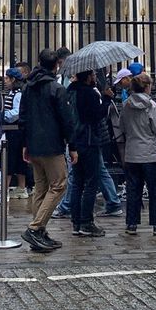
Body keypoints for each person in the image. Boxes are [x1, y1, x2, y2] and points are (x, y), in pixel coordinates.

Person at [19, 49, 75, 253]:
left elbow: (22, 117)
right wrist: (73, 145)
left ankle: (40, 231)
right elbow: (66, 120)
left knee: (41, 189)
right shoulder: (56, 88)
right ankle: (35, 228)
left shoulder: (28, 87)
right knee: (59, 184)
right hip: (51, 145)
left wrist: (25, 143)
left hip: (33, 144)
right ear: (56, 66)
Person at [120, 73, 156, 236]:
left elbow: (122, 126)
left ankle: (131, 224)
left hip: (132, 152)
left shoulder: (126, 104)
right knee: (154, 189)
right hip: (149, 152)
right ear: (147, 87)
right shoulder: (152, 106)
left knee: (133, 189)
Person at [67, 68, 108, 238]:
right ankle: (86, 222)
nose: (94, 77)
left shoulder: (70, 91)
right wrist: (106, 99)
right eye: (92, 75)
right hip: (89, 140)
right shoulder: (89, 93)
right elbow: (97, 116)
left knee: (77, 182)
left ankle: (76, 222)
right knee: (91, 182)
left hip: (74, 141)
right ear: (87, 77)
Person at [1, 67, 31, 198]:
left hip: (14, 130)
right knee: (18, 160)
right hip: (15, 130)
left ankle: (5, 190)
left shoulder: (17, 94)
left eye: (7, 78)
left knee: (10, 159)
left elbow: (17, 112)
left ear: (13, 79)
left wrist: (4, 115)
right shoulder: (14, 92)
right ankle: (21, 187)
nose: (5, 81)